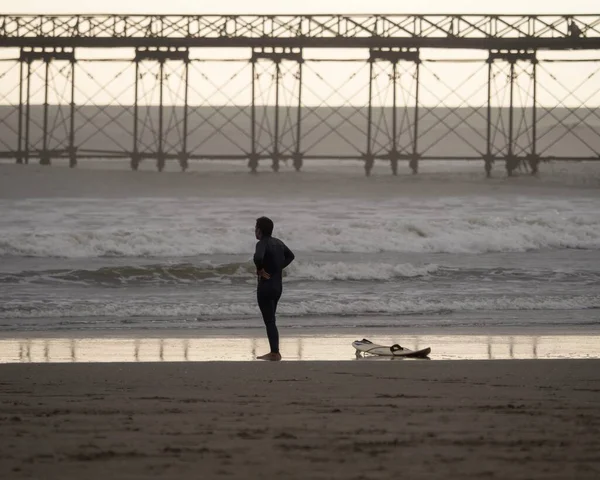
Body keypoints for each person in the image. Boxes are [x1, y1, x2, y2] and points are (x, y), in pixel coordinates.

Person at [253, 216, 295, 361]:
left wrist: (260, 269)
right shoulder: (278, 243)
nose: (254, 230)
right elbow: (291, 256)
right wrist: (278, 268)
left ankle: (275, 353)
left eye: (255, 227)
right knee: (272, 319)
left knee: (269, 321)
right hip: (277, 286)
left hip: (266, 286)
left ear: (260, 230)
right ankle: (274, 351)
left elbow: (258, 257)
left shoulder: (262, 243)